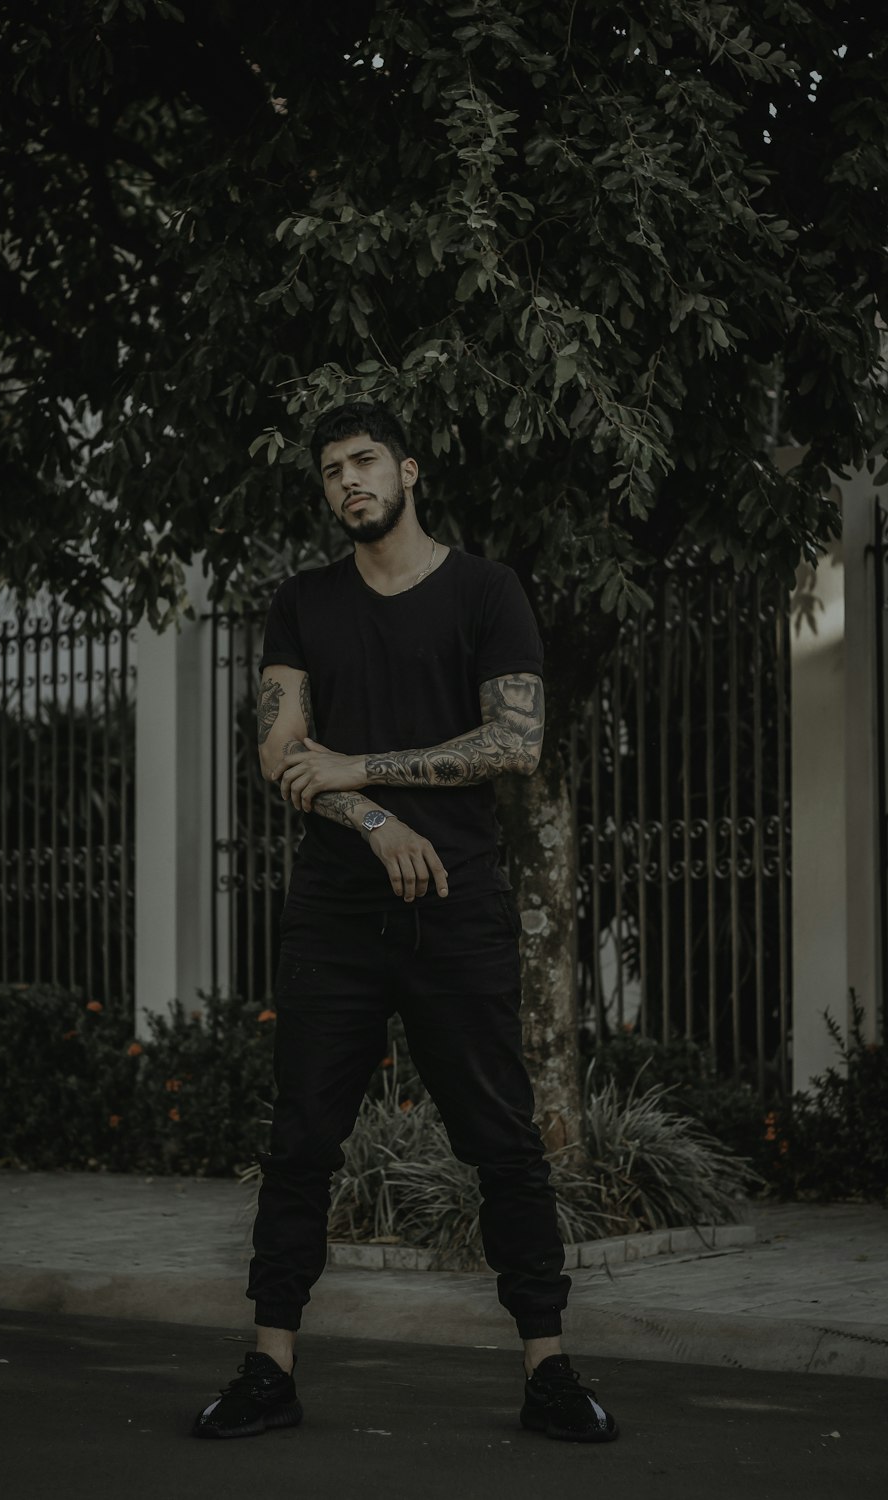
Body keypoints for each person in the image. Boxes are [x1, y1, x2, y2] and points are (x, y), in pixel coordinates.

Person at [191, 401, 618, 1445]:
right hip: (336, 913)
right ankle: (268, 1367)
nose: (349, 481)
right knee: (301, 1143)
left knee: (502, 1143)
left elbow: (514, 744)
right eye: (333, 468)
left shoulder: (485, 591)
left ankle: (548, 1370)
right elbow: (281, 755)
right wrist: (375, 818)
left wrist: (364, 766)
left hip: (457, 905)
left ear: (409, 472)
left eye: (366, 461)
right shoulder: (301, 604)